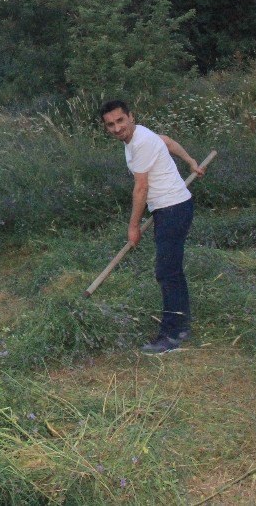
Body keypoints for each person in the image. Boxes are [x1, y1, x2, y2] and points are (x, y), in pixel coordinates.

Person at [100, 100, 205, 354]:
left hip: (172, 209)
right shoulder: (140, 136)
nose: (116, 128)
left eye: (120, 121)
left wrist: (133, 226)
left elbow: (141, 188)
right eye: (110, 124)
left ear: (130, 117)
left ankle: (171, 335)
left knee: (167, 271)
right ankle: (181, 325)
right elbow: (167, 141)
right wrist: (190, 161)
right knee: (171, 270)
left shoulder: (141, 141)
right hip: (168, 208)